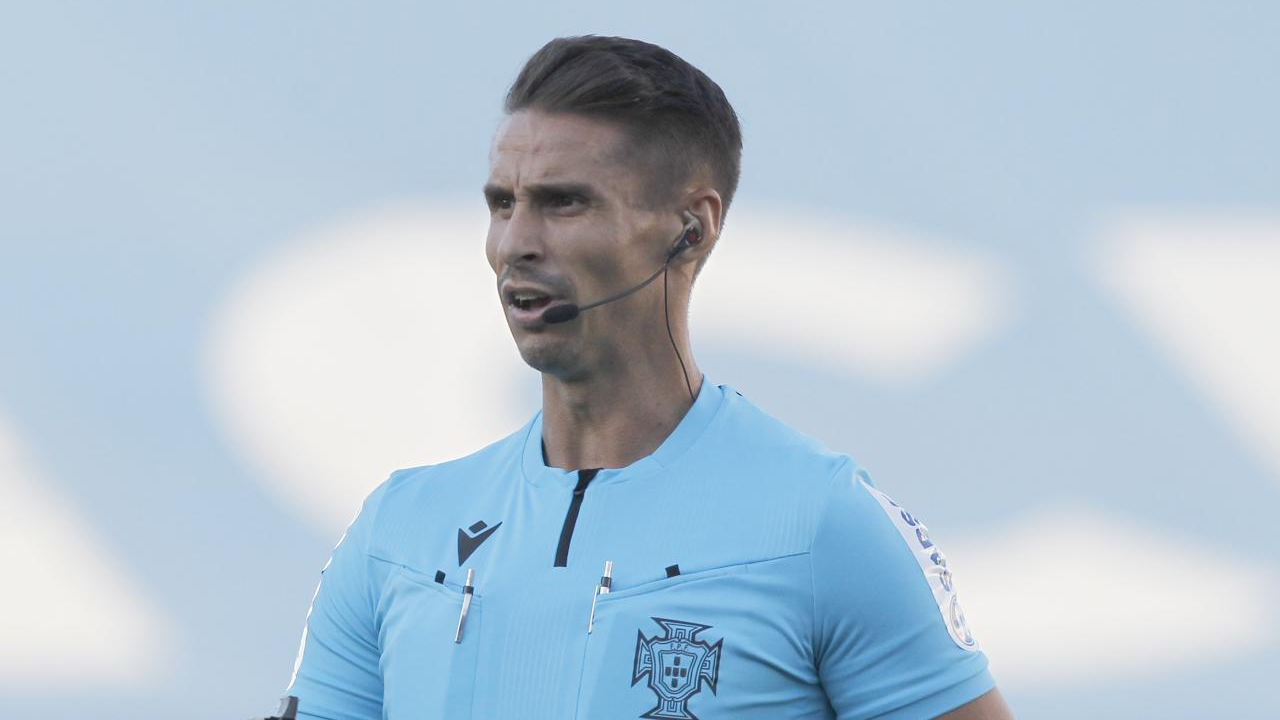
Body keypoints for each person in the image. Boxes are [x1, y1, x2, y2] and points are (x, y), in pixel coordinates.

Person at [283, 35, 1014, 720]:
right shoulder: (397, 529)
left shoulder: (823, 523)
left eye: (564, 202)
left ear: (691, 229)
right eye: (503, 204)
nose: (515, 243)